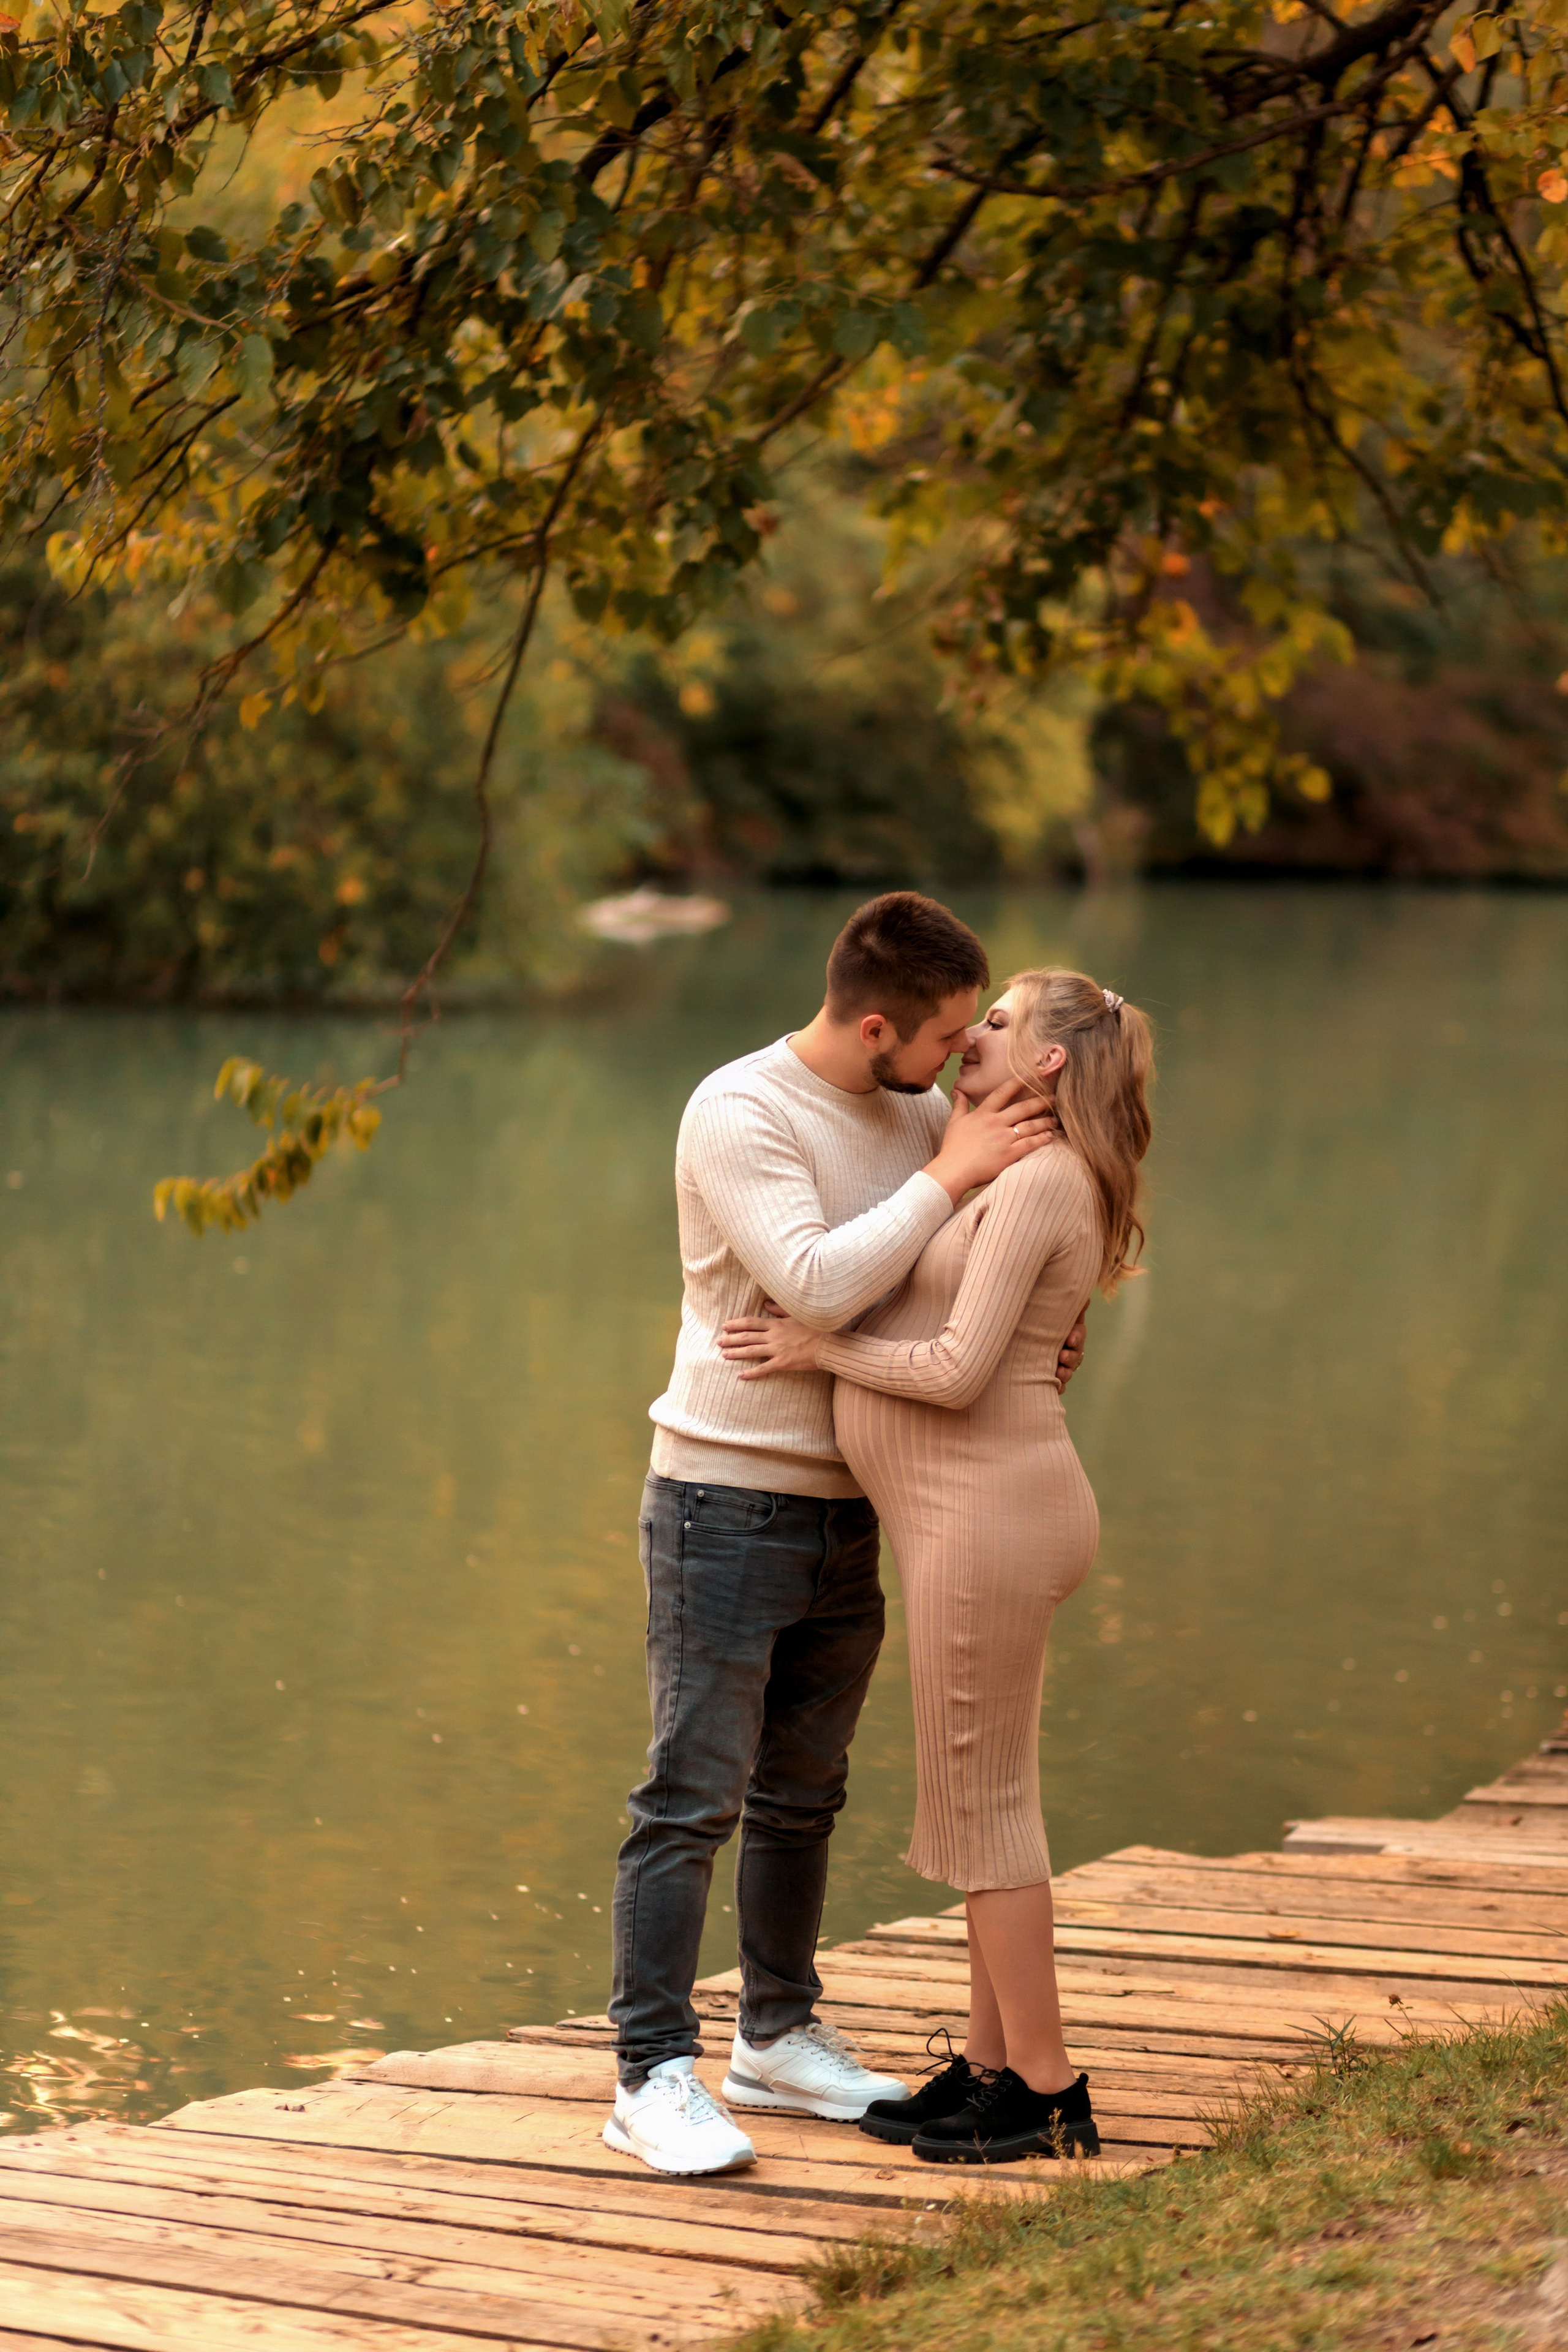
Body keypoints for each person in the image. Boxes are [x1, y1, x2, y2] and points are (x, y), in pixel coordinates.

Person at [601, 895, 1088, 2177]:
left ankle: (774, 2036)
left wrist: (1039, 1321)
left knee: (803, 1796)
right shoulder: (740, 1111)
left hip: (861, 1507)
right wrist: (949, 1176)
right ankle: (651, 2072)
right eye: (940, 1036)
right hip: (724, 1499)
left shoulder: (928, 1110)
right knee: (688, 1797)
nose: (955, 1063)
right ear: (876, 1025)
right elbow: (811, 1281)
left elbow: (972, 1253)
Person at [719, 967, 1152, 2165]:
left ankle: (1051, 2093)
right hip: (969, 1514)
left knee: (987, 1809)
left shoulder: (1046, 1177)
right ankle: (988, 2062)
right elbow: (998, 1334)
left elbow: (960, 1369)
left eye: (998, 1024)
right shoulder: (1005, 1164)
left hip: (990, 1515)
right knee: (974, 1801)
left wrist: (817, 1346)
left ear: (1052, 1062)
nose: (971, 1040)